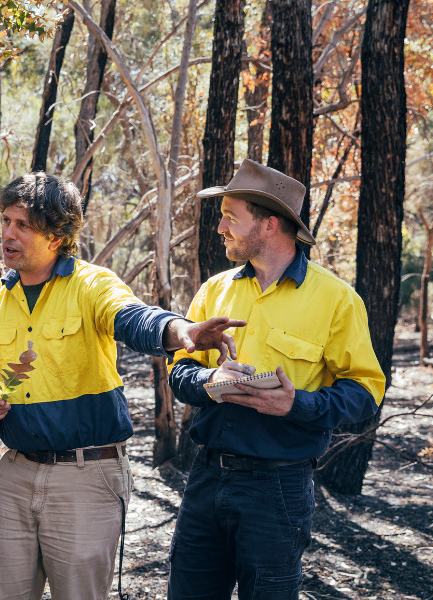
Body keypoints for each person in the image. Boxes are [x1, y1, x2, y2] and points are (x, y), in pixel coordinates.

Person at [0, 172, 246, 600]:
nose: (7, 233)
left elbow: (133, 318)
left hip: (86, 475)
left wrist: (180, 331)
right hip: (15, 473)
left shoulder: (92, 285)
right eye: (5, 221)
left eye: (22, 225)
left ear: (57, 236)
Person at [167, 159, 386, 599]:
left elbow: (365, 393)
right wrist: (211, 378)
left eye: (231, 216)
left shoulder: (336, 300)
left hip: (277, 489)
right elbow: (180, 373)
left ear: (269, 224)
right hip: (206, 477)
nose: (220, 228)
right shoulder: (216, 289)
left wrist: (296, 405)